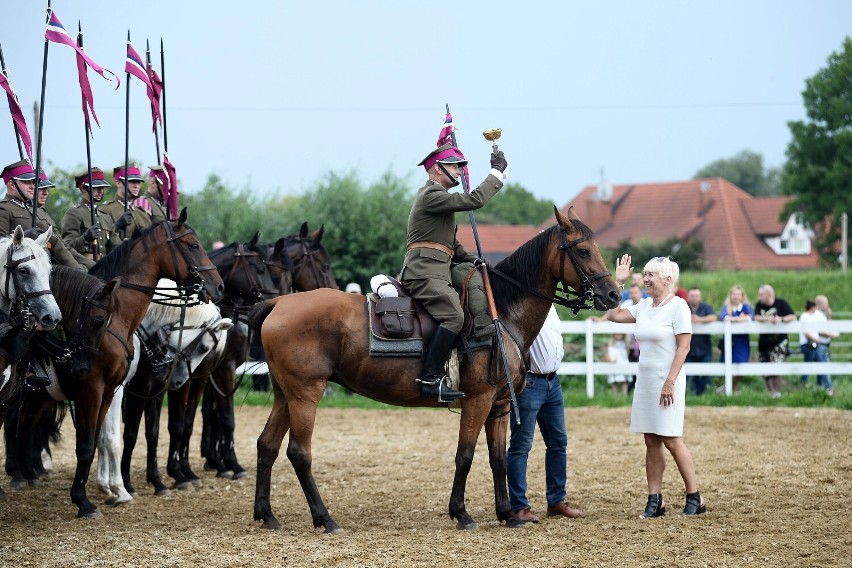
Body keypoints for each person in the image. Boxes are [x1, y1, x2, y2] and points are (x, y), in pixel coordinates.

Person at [399, 142, 506, 402]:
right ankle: (429, 379)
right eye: (454, 166)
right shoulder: (430, 194)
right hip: (423, 273)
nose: (459, 171)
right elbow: (474, 200)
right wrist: (496, 173)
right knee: (454, 318)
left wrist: (477, 261)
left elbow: (452, 246)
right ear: (437, 169)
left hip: (437, 272)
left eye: (460, 167)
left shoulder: (440, 202)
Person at [605, 254, 705, 518]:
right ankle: (655, 499)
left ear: (667, 279)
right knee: (650, 440)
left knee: (671, 439)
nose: (646, 279)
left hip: (668, 379)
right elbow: (612, 315)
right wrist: (619, 282)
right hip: (646, 380)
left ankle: (695, 496)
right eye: (645, 274)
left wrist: (670, 382)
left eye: (651, 275)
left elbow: (684, 347)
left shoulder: (679, 307)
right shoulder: (644, 307)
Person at [507, 305, 585, 524]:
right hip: (530, 382)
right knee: (521, 445)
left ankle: (556, 500)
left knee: (558, 442)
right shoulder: (530, 302)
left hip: (553, 382)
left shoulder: (549, 307)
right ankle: (519, 506)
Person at [0, 160, 91, 270]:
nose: (32, 186)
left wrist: (88, 265)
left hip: (49, 266)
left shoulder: (34, 210)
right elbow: (2, 247)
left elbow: (61, 245)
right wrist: (26, 236)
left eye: (33, 182)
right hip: (25, 271)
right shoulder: (4, 208)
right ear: (11, 184)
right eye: (26, 182)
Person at [61, 168, 123, 260]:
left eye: (102, 187)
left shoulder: (105, 217)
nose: (100, 191)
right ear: (83, 188)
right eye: (96, 187)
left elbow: (117, 247)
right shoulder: (74, 213)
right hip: (84, 269)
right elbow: (66, 248)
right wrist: (85, 238)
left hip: (105, 267)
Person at [754, 284, 796, 398]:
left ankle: (777, 392)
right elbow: (756, 317)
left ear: (769, 295)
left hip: (779, 342)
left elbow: (792, 316)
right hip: (764, 343)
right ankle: (771, 393)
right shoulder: (759, 305)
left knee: (776, 364)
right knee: (764, 367)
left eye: (761, 295)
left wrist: (781, 319)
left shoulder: (781, 303)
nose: (759, 297)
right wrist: (767, 319)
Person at [717, 285, 754, 393]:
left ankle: (728, 388)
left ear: (742, 296)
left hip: (742, 342)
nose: (736, 297)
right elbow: (723, 317)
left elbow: (750, 317)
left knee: (742, 365)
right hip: (729, 342)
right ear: (730, 296)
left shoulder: (746, 306)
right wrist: (738, 319)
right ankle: (732, 391)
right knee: (728, 365)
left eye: (738, 294)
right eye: (733, 294)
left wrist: (735, 319)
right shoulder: (726, 307)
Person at [99, 164, 152, 237]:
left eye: (138, 182)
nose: (136, 186)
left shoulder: (142, 212)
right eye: (132, 181)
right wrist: (117, 226)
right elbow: (102, 240)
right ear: (118, 183)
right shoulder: (107, 209)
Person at [799, 299, 837, 395]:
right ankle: (824, 387)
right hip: (810, 344)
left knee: (817, 365)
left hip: (813, 344)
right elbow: (806, 332)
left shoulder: (810, 317)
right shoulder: (806, 317)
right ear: (812, 307)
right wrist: (817, 340)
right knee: (817, 365)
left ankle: (819, 387)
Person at [685, 287, 717, 395]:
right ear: (688, 297)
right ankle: (692, 396)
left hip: (704, 348)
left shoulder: (706, 307)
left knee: (706, 375)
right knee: (689, 376)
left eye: (696, 296)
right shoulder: (683, 307)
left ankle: (705, 395)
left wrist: (699, 319)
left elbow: (713, 317)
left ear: (700, 297)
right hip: (688, 348)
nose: (694, 298)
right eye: (692, 296)